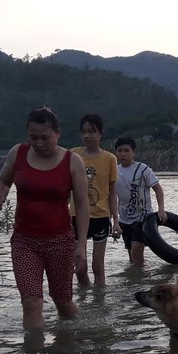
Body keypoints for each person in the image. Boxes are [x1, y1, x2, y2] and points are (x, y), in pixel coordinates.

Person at [0, 106, 89, 330]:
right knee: (31, 302)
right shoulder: (18, 153)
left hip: (60, 242)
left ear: (58, 133)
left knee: (63, 302)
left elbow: (82, 205)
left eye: (45, 137)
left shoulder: (73, 162)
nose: (39, 143)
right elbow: (3, 180)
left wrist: (81, 244)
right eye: (33, 137)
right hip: (25, 242)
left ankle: (74, 342)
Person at [69, 114, 119, 286]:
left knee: (98, 266)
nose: (87, 136)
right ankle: (84, 304)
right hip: (75, 217)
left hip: (100, 217)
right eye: (83, 132)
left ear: (101, 134)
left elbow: (112, 193)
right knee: (79, 267)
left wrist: (116, 221)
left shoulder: (110, 159)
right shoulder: (73, 155)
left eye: (91, 132)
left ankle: (99, 305)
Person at [113, 136, 166, 266]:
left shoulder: (143, 169)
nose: (123, 154)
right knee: (131, 257)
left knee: (137, 252)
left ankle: (141, 280)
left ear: (133, 152)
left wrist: (161, 209)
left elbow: (157, 189)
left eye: (126, 151)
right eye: (120, 151)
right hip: (124, 218)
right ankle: (135, 282)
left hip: (142, 217)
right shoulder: (114, 171)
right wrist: (114, 221)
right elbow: (111, 197)